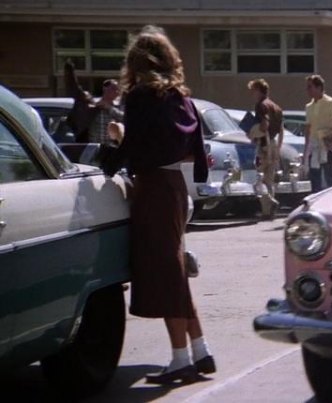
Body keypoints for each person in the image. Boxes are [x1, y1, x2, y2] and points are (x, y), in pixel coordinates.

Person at [101, 25, 214, 385]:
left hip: (153, 188)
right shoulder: (181, 97)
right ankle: (200, 349)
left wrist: (115, 142)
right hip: (177, 186)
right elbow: (194, 149)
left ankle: (181, 359)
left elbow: (133, 151)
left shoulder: (140, 97)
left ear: (137, 62)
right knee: (175, 268)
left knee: (166, 272)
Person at [63, 60, 124, 162]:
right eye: (114, 89)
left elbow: (124, 118)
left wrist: (109, 108)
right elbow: (76, 91)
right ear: (105, 89)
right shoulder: (93, 106)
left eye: (118, 89)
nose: (116, 92)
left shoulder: (118, 107)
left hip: (112, 148)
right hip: (93, 148)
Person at [247, 78, 283, 218]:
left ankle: (269, 200)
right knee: (269, 179)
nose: (252, 94)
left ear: (258, 90)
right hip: (273, 144)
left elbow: (264, 125)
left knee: (257, 177)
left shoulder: (261, 105)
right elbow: (281, 129)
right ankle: (267, 211)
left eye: (253, 91)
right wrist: (278, 147)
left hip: (263, 144)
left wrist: (253, 133)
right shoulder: (277, 107)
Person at [303, 74, 332, 192]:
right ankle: (315, 199)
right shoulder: (309, 106)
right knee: (314, 175)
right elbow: (308, 128)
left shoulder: (331, 103)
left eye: (310, 87)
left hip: (326, 144)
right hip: (314, 145)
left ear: (319, 87)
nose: (308, 90)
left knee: (330, 175)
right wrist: (306, 150)